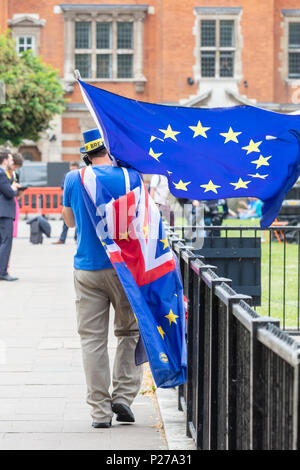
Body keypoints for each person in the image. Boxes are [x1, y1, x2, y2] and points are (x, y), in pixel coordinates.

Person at [62, 128, 143, 428]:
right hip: (124, 269)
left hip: (87, 268)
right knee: (129, 333)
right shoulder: (131, 177)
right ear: (111, 148)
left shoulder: (74, 178)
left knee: (93, 341)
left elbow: (70, 221)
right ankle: (123, 395)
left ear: (87, 153)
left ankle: (99, 412)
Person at [0, 150, 20, 281]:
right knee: (6, 241)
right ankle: (2, 272)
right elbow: (8, 192)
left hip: (3, 211)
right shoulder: (1, 173)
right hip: (4, 211)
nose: (12, 162)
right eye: (11, 159)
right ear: (5, 160)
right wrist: (14, 187)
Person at [53, 161, 79, 244]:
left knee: (78, 221)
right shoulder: (67, 175)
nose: (72, 169)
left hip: (77, 200)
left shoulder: (80, 174)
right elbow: (62, 186)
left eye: (74, 168)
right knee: (66, 220)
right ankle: (62, 239)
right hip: (68, 200)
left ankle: (77, 238)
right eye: (71, 168)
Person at [6, 152, 24, 238]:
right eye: (15, 167)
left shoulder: (13, 174)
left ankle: (13, 234)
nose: (15, 169)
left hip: (13, 200)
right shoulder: (3, 173)